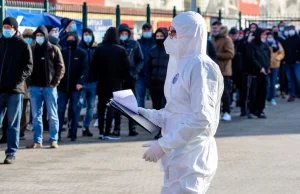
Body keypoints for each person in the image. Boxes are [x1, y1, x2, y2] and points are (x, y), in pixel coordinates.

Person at [139, 11, 223, 193]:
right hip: (177, 156)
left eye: (174, 32)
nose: (170, 38)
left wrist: (163, 145)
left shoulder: (200, 66)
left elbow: (202, 118)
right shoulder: (180, 64)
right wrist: (145, 114)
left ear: (190, 33)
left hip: (192, 157)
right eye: (170, 32)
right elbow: (176, 112)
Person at [0, 17, 33, 164]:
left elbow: (28, 68)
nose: (6, 29)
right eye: (4, 26)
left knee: (13, 124)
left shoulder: (23, 45)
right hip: (0, 90)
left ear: (14, 28)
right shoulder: (1, 42)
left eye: (8, 27)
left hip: (15, 90)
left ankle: (11, 153)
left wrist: (15, 81)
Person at [26, 25, 65, 149]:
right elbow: (26, 67)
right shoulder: (31, 49)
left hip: (49, 87)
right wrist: (29, 83)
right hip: (35, 88)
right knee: (36, 116)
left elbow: (61, 67)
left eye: (41, 35)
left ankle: (54, 139)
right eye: (37, 35)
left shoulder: (53, 49)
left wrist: (55, 82)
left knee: (53, 115)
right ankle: (37, 140)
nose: (39, 37)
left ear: (46, 36)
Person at [91, 27, 131, 140]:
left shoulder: (99, 49)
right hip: (115, 82)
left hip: (102, 81)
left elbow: (93, 66)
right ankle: (108, 131)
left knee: (101, 107)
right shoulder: (121, 50)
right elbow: (127, 67)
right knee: (112, 107)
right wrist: (122, 78)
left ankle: (101, 131)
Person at [113, 23, 143, 137]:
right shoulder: (116, 45)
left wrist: (134, 72)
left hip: (131, 78)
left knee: (131, 104)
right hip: (118, 78)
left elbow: (140, 60)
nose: (124, 35)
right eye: (121, 33)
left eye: (126, 33)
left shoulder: (134, 44)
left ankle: (132, 127)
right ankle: (117, 128)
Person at [58, 33, 88, 141]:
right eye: (68, 39)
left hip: (76, 88)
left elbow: (85, 69)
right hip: (62, 87)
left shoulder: (81, 53)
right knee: (60, 110)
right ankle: (58, 133)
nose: (70, 41)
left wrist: (80, 82)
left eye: (73, 39)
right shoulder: (62, 52)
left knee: (74, 110)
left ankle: (73, 133)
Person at [148, 28, 169, 140]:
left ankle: (163, 130)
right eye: (158, 36)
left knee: (164, 107)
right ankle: (159, 129)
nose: (159, 38)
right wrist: (149, 80)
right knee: (156, 107)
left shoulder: (170, 50)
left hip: (166, 83)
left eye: (161, 36)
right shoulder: (152, 50)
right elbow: (149, 67)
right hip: (154, 83)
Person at [212, 21, 234, 121]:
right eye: (213, 28)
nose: (214, 30)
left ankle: (226, 112)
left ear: (220, 28)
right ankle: (218, 113)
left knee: (225, 93)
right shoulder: (212, 38)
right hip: (213, 70)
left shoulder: (227, 39)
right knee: (214, 94)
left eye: (216, 28)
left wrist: (216, 55)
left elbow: (230, 54)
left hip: (224, 70)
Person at [246, 28, 270, 118]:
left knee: (262, 92)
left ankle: (260, 110)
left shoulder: (265, 45)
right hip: (255, 72)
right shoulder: (252, 45)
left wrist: (267, 67)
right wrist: (259, 68)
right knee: (253, 92)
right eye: (263, 35)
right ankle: (252, 110)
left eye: (265, 35)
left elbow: (268, 56)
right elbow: (251, 58)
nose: (265, 37)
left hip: (264, 73)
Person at [78, 28, 98, 137]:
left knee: (90, 107)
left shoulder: (96, 48)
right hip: (81, 82)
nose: (88, 36)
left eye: (89, 34)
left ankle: (86, 127)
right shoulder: (79, 48)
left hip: (93, 82)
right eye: (86, 34)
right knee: (78, 105)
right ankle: (74, 126)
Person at [20, 29, 35, 140]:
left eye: (30, 37)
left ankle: (37, 133)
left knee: (36, 111)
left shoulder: (36, 49)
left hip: (34, 84)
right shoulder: (21, 48)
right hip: (23, 85)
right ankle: (21, 131)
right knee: (22, 111)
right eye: (26, 36)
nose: (28, 39)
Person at [137, 23, 156, 108]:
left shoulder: (156, 42)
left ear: (152, 30)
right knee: (139, 98)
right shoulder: (138, 43)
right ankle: (140, 119)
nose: (147, 31)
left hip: (153, 75)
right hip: (140, 74)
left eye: (149, 30)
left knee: (155, 98)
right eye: (145, 30)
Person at [229, 27, 246, 116]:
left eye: (235, 34)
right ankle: (229, 105)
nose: (233, 36)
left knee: (242, 89)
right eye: (232, 34)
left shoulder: (241, 43)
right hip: (230, 70)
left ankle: (243, 108)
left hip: (241, 70)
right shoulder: (228, 43)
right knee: (230, 90)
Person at [282, 25, 300, 102]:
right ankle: (292, 95)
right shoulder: (286, 40)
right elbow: (283, 51)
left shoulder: (298, 39)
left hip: (296, 62)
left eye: (291, 29)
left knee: (298, 78)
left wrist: (299, 59)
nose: (290, 31)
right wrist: (284, 60)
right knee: (290, 80)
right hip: (288, 63)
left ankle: (298, 93)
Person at [266, 32, 285, 105]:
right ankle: (267, 97)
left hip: (275, 65)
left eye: (271, 37)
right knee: (267, 83)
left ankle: (273, 98)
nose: (269, 38)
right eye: (268, 37)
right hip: (267, 65)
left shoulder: (277, 43)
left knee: (273, 82)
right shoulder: (265, 44)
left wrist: (277, 58)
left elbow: (282, 53)